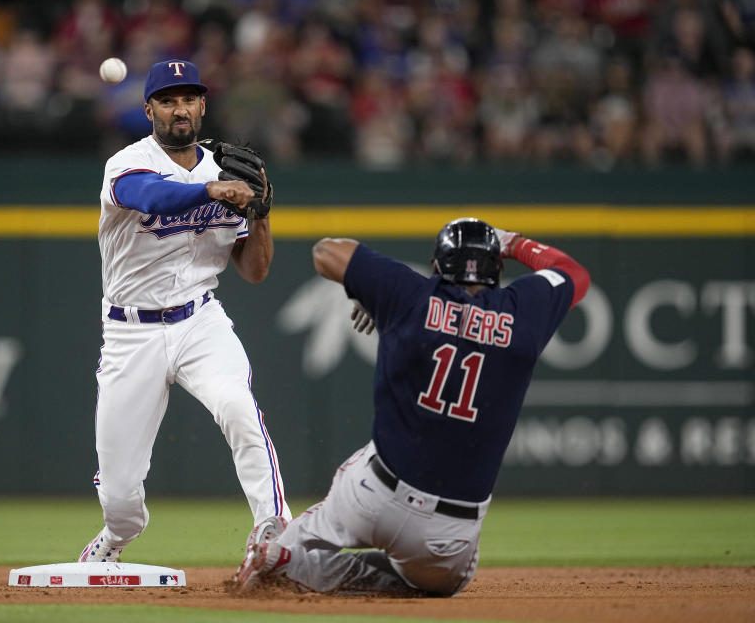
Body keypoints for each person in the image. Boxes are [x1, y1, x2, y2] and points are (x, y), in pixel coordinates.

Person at [236, 218, 590, 595]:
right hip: (447, 536)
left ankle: (284, 551)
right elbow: (573, 273)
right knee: (437, 585)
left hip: (370, 497)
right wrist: (513, 242)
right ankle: (303, 567)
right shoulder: (525, 311)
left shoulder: (408, 294)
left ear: (437, 265)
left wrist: (363, 291)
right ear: (497, 269)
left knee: (358, 471)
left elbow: (326, 251)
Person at [78, 59, 291, 565]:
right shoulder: (127, 163)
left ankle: (276, 530)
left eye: (189, 98)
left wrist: (260, 216)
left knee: (238, 406)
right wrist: (209, 191)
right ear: (149, 108)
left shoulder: (230, 170)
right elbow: (150, 195)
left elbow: (255, 271)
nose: (180, 109)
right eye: (168, 100)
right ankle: (116, 536)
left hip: (200, 319)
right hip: (132, 332)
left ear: (202, 105)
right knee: (121, 499)